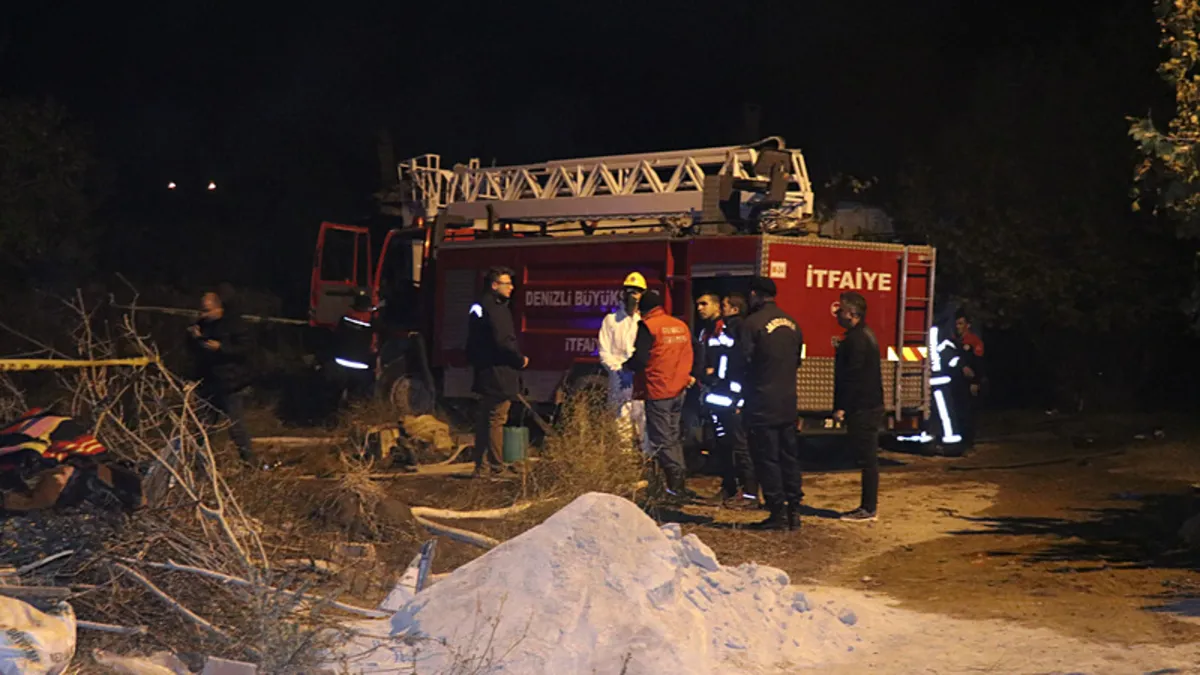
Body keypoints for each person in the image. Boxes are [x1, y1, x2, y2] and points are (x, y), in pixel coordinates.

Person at [740, 277, 803, 530]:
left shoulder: (751, 324)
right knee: (789, 457)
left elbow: (743, 364)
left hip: (761, 403)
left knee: (766, 458)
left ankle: (777, 513)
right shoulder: (793, 324)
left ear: (754, 294)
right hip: (788, 402)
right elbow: (797, 360)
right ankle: (795, 511)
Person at [623, 289, 697, 500]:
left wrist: (625, 366)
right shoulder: (679, 325)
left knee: (661, 440)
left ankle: (676, 486)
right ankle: (678, 484)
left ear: (642, 308)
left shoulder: (648, 326)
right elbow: (690, 353)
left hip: (658, 390)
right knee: (673, 438)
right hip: (678, 390)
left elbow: (640, 360)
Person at [466, 266, 528, 477]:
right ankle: (496, 466)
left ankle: (481, 467)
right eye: (507, 283)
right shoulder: (497, 309)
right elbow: (503, 342)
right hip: (499, 373)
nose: (512, 287)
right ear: (494, 286)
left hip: (485, 372)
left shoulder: (479, 305)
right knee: (497, 419)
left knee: (485, 419)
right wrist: (519, 360)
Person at [699, 292, 758, 508]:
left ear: (734, 309)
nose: (722, 309)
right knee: (723, 445)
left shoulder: (739, 330)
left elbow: (738, 363)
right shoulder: (715, 331)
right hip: (718, 397)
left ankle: (750, 493)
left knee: (740, 447)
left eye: (724, 305)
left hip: (733, 399)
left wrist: (738, 398)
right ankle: (729, 488)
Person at [833, 291, 885, 522]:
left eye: (841, 310)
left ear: (853, 313)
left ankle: (868, 508)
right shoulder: (864, 335)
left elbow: (852, 376)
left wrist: (842, 406)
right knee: (867, 458)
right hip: (868, 405)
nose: (837, 313)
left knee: (867, 459)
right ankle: (867, 506)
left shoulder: (857, 339)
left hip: (864, 407)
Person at [188, 289, 255, 465]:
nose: (204, 314)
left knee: (236, 427)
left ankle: (250, 462)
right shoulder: (202, 325)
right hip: (209, 383)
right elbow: (196, 354)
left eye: (207, 310)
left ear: (218, 308)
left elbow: (245, 350)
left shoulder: (235, 325)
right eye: (202, 310)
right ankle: (198, 465)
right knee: (203, 428)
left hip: (231, 383)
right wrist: (196, 339)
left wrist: (222, 348)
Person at [598, 272, 648, 452]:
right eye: (630, 290)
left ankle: (645, 465)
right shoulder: (611, 320)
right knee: (621, 426)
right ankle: (625, 464)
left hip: (640, 379)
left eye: (637, 291)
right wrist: (618, 370)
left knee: (643, 423)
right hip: (618, 380)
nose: (633, 295)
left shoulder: (644, 321)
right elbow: (604, 351)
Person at [952, 310, 986, 450]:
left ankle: (968, 442)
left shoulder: (974, 342)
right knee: (958, 412)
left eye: (960, 323)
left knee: (969, 414)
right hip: (957, 383)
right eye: (956, 324)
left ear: (968, 325)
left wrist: (975, 382)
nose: (958, 327)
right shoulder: (954, 341)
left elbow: (979, 363)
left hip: (969, 383)